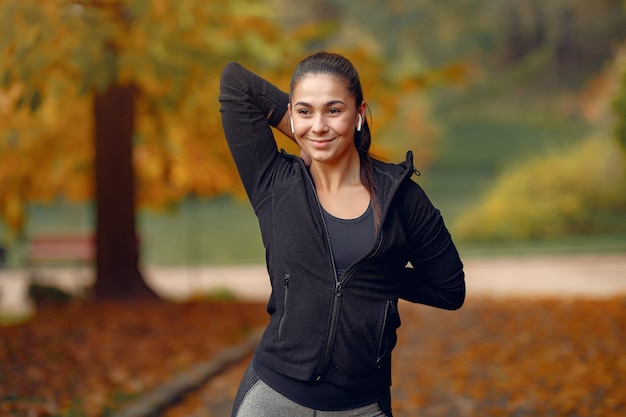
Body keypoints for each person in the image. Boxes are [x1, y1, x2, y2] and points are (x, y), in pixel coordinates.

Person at [219, 51, 465, 417]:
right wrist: (306, 136)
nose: (318, 124)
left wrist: (381, 277)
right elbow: (235, 82)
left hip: (361, 406)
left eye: (333, 110)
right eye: (305, 111)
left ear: (359, 112)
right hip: (272, 398)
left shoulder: (401, 197)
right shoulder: (274, 182)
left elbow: (449, 290)